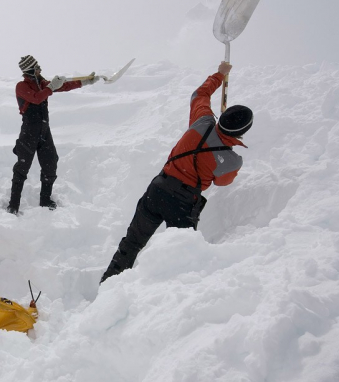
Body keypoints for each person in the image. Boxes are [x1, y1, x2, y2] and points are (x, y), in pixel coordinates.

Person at [100, 62, 253, 283]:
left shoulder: (202, 120)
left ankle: (108, 284)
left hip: (158, 189)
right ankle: (164, 299)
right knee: (179, 256)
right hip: (183, 203)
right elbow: (222, 182)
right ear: (243, 132)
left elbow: (199, 94)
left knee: (132, 243)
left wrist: (219, 75)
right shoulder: (231, 161)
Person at [6, 55, 100, 215]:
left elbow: (64, 86)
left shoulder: (41, 84)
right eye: (37, 68)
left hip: (44, 132)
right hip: (29, 132)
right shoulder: (21, 86)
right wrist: (51, 87)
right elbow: (36, 98)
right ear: (30, 70)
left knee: (51, 163)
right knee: (22, 169)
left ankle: (45, 200)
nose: (40, 69)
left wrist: (86, 81)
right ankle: (13, 205)